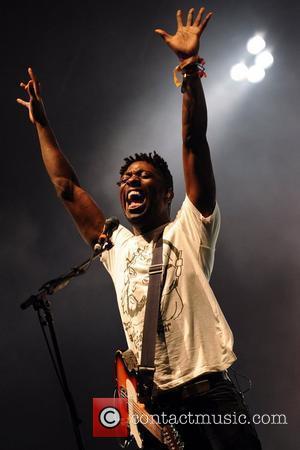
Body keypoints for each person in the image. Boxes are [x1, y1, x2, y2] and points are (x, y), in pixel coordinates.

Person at [17, 6, 262, 450]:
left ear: (167, 192)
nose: (131, 181)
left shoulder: (192, 225)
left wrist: (188, 68)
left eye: (144, 176)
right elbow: (67, 187)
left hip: (212, 397)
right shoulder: (116, 245)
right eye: (126, 178)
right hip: (157, 410)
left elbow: (193, 141)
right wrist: (42, 124)